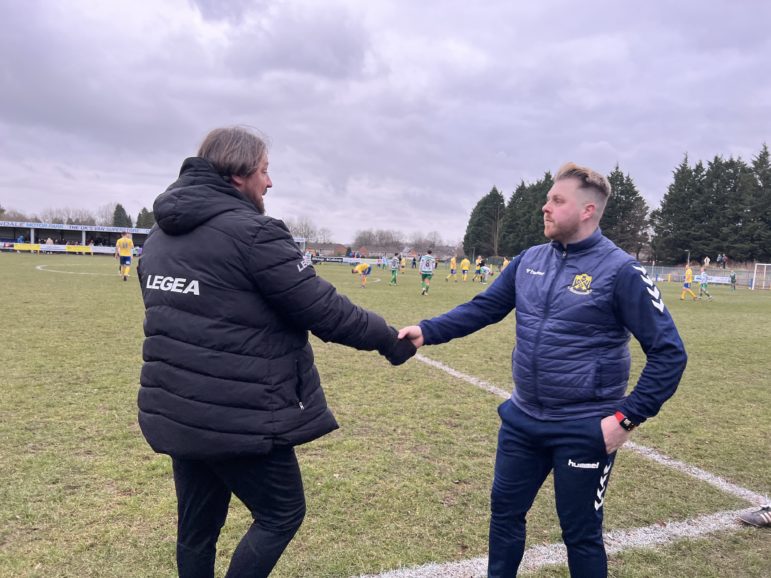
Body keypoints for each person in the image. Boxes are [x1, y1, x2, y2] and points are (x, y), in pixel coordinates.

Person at [136, 126, 415, 578]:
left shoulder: (160, 237)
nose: (270, 182)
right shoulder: (254, 234)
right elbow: (323, 308)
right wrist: (388, 339)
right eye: (265, 171)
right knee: (282, 512)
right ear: (239, 174)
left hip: (179, 408)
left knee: (196, 531)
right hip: (237, 414)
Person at [398, 162, 687, 577]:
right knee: (504, 515)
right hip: (523, 420)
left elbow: (669, 353)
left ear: (587, 210)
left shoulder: (621, 271)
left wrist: (624, 419)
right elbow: (484, 308)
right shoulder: (529, 260)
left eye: (557, 200)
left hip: (584, 426)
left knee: (580, 533)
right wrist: (427, 331)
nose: (544, 207)